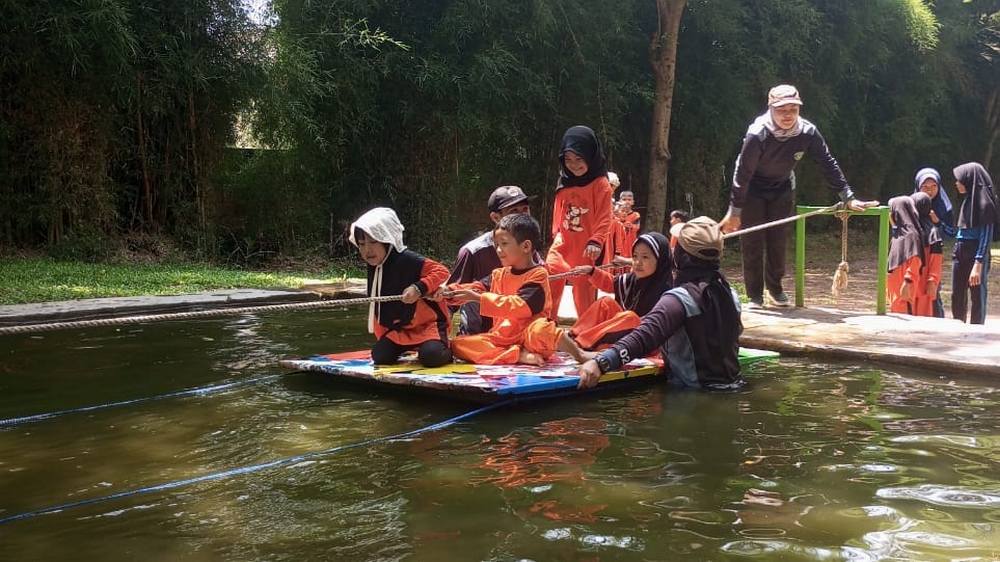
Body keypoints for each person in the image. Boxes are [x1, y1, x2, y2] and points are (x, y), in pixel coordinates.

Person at [719, 84, 875, 310]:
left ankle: (775, 288)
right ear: (771, 108)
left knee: (778, 241)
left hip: (782, 187)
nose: (788, 115)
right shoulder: (758, 133)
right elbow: (742, 173)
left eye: (793, 109)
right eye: (782, 109)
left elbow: (827, 163)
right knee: (752, 242)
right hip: (752, 188)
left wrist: (848, 196)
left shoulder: (807, 132)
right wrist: (735, 211)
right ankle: (754, 295)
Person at [576, 217, 744, 390]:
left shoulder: (678, 300)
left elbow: (644, 337)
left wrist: (601, 363)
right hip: (734, 386)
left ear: (680, 256)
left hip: (692, 395)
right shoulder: (731, 295)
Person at [440, 214, 586, 366]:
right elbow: (474, 288)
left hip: (531, 338)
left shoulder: (538, 274)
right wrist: (448, 292)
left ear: (526, 246)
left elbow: (521, 306)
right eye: (496, 244)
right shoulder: (498, 274)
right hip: (503, 339)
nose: (498, 250)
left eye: (504, 244)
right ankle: (518, 355)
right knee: (457, 344)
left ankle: (579, 354)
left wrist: (478, 298)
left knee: (543, 329)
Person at [349, 207, 452, 367]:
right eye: (361, 244)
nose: (367, 250)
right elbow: (379, 309)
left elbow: (442, 271)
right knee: (380, 356)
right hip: (401, 329)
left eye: (373, 242)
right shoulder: (376, 267)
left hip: (428, 326)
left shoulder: (409, 260)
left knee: (431, 356)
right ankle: (409, 348)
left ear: (386, 239)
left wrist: (418, 288)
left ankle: (447, 348)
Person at [546, 126, 614, 319]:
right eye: (568, 159)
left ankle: (586, 334)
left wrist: (596, 241)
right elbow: (558, 213)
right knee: (550, 277)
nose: (573, 165)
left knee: (583, 295)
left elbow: (605, 216)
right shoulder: (564, 181)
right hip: (563, 244)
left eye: (579, 159)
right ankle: (546, 328)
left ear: (591, 156)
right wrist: (555, 234)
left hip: (586, 248)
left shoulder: (600, 184)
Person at [448, 185, 534, 335]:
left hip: (518, 325)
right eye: (513, 211)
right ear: (496, 218)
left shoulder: (528, 244)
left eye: (525, 209)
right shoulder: (472, 251)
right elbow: (452, 298)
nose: (522, 217)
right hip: (480, 331)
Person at [567, 232, 673, 350]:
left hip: (644, 341)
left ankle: (584, 343)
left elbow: (658, 326)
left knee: (629, 317)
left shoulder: (668, 291)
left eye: (645, 257)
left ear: (660, 259)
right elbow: (612, 283)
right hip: (625, 331)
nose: (638, 262)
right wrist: (592, 271)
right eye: (635, 256)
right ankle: (574, 337)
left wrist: (626, 320)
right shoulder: (633, 279)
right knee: (605, 302)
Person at [949, 162, 997, 324]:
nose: (957, 183)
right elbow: (961, 231)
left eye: (960, 180)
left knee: (977, 295)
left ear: (969, 180)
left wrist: (979, 262)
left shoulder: (985, 203)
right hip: (960, 250)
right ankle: (958, 326)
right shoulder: (968, 200)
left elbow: (986, 235)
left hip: (976, 251)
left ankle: (977, 330)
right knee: (957, 294)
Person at [913, 167, 952, 317]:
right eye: (925, 187)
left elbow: (952, 233)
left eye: (934, 186)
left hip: (934, 255)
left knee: (933, 292)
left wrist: (938, 222)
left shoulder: (945, 207)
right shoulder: (912, 204)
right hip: (915, 257)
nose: (930, 191)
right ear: (918, 186)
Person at [886, 196, 925, 315]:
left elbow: (915, 259)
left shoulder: (911, 235)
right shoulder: (898, 234)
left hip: (904, 289)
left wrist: (908, 281)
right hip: (895, 291)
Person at [910, 191, 944, 317]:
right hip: (913, 281)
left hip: (924, 283)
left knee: (925, 316)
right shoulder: (911, 230)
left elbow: (936, 259)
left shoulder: (932, 232)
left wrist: (932, 281)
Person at [618, 190, 641, 257]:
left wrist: (631, 226)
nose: (627, 202)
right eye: (624, 199)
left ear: (633, 202)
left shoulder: (635, 215)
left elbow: (637, 228)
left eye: (629, 199)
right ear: (619, 201)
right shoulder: (616, 215)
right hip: (618, 243)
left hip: (630, 244)